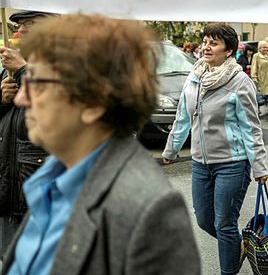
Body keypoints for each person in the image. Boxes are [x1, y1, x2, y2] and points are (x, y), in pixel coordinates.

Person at [1, 14, 201, 274]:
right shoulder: (51, 180)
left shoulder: (145, 210)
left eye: (36, 82)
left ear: (92, 103)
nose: (21, 99)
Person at [162, 23, 268, 275]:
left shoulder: (239, 81)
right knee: (204, 220)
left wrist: (259, 166)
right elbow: (183, 117)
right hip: (200, 163)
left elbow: (251, 127)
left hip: (233, 163)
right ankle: (237, 246)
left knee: (224, 223)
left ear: (228, 50)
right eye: (205, 41)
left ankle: (227, 270)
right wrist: (170, 149)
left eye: (214, 43)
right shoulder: (195, 75)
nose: (206, 47)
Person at [0, 10, 53, 255]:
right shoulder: (8, 70)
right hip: (8, 196)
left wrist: (23, 70)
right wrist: (2, 100)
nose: (21, 31)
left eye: (30, 23)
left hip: (39, 200)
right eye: (20, 25)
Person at [251, 41, 268, 116]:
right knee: (260, 95)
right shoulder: (256, 56)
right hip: (261, 78)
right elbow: (254, 67)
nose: (265, 49)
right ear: (259, 48)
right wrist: (254, 77)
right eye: (263, 47)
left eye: (266, 47)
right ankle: (257, 110)